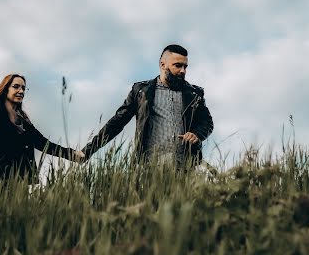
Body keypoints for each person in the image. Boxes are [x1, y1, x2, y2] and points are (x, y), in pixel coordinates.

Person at [0, 74, 84, 199]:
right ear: (6, 89)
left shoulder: (23, 122)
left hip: (13, 185)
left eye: (23, 88)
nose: (21, 91)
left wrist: (71, 154)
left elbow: (44, 144)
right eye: (16, 86)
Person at [82, 44, 213, 166]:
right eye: (178, 65)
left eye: (185, 66)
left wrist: (197, 134)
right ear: (163, 65)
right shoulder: (141, 91)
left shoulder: (195, 93)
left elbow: (207, 122)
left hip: (185, 165)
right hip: (149, 166)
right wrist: (88, 151)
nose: (183, 71)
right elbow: (117, 122)